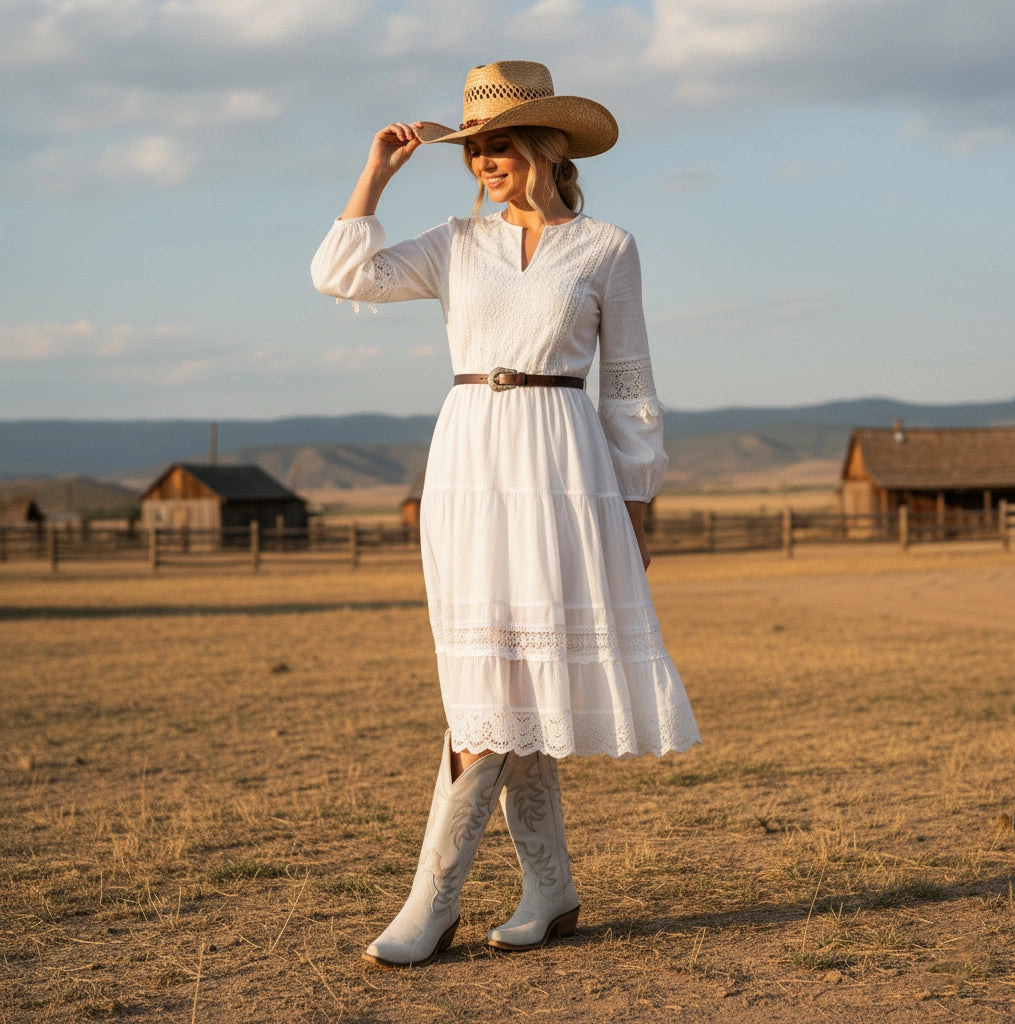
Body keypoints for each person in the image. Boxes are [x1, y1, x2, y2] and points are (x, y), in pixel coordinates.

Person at [311, 60, 701, 969]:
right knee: (492, 677)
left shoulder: (607, 246)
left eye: (500, 144)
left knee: (513, 683)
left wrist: (636, 503)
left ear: (546, 146)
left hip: (564, 463)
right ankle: (548, 886)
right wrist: (377, 172)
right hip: (469, 459)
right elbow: (341, 273)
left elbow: (632, 382)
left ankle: (433, 901)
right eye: (475, 148)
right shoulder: (454, 241)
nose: (484, 161)